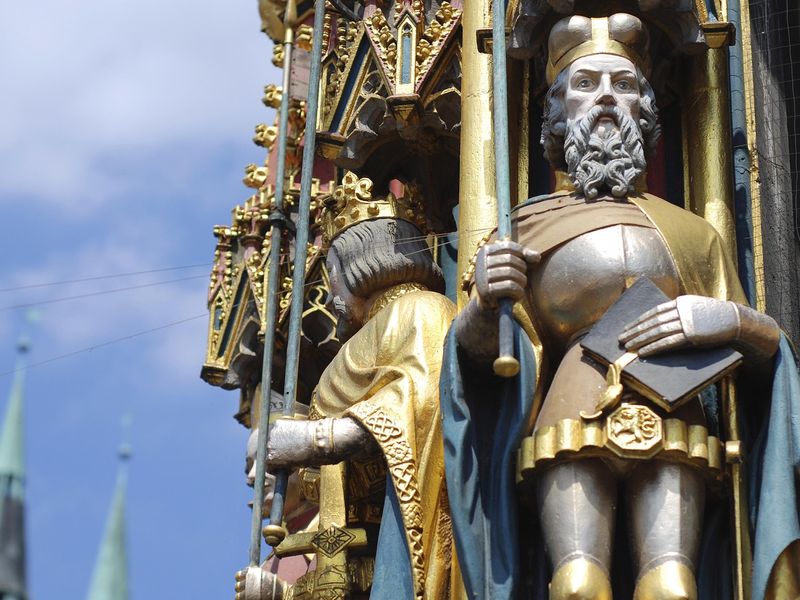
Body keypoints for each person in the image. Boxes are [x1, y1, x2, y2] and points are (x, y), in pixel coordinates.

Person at [444, 13, 799, 600]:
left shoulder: (694, 234)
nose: (607, 97)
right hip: (570, 404)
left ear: (645, 110)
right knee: (579, 583)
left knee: (673, 587)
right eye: (586, 84)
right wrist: (485, 305)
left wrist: (728, 320)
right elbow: (488, 364)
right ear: (557, 112)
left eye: (624, 84)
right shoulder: (521, 229)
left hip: (677, 403)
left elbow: (764, 352)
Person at [239, 175, 461, 599]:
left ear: (360, 263)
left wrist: (320, 437)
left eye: (332, 273)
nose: (330, 289)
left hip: (416, 524)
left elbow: (423, 399)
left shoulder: (419, 309)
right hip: (379, 537)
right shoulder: (369, 334)